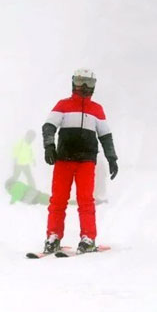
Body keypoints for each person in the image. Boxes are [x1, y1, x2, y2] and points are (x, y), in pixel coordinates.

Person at [41, 68, 118, 254]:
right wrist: (49, 146)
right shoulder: (63, 105)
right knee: (58, 200)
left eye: (89, 83)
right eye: (80, 82)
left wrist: (112, 158)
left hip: (86, 162)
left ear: (94, 86)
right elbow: (49, 126)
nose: (84, 87)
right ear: (73, 83)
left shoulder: (96, 109)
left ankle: (88, 238)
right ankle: (53, 237)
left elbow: (105, 136)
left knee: (86, 200)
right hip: (64, 160)